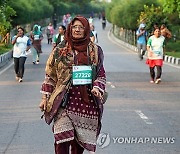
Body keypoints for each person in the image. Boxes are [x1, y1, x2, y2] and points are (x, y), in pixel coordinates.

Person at [39, 16, 106, 154]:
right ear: (70, 28)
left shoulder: (94, 51)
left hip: (86, 103)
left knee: (78, 143)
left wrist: (97, 87)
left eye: (81, 27)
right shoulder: (60, 49)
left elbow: (101, 73)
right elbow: (50, 75)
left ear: (86, 29)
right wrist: (45, 98)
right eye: (75, 26)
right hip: (63, 101)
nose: (77, 30)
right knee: (61, 139)